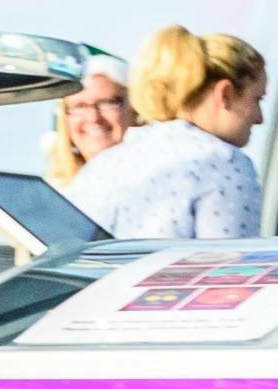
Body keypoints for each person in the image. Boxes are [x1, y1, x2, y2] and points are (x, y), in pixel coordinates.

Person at [66, 25, 265, 238]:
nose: (260, 118)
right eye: (257, 99)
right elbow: (230, 258)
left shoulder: (101, 168)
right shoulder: (226, 163)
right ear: (225, 94)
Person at [41, 56, 130, 193]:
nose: (93, 118)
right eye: (79, 106)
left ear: (134, 108)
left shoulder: (157, 179)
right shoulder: (52, 193)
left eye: (108, 103)